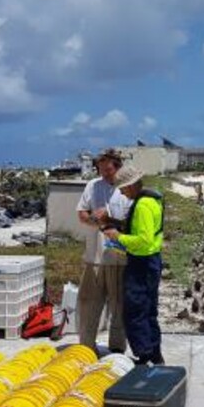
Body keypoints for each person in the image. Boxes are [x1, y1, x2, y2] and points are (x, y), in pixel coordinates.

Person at [103, 164, 165, 365]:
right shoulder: (150, 200)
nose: (121, 192)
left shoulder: (143, 206)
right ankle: (154, 354)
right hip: (150, 262)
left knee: (135, 310)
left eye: (122, 188)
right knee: (148, 310)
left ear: (131, 186)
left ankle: (145, 355)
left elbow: (144, 240)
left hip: (142, 263)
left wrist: (118, 237)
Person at [76, 149, 131, 354]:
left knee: (118, 306)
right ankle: (86, 347)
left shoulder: (127, 189)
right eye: (101, 170)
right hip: (95, 256)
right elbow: (81, 213)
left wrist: (109, 219)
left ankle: (117, 349)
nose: (105, 174)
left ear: (118, 167)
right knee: (89, 303)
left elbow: (131, 223)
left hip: (119, 258)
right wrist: (93, 219)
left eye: (108, 170)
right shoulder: (93, 185)